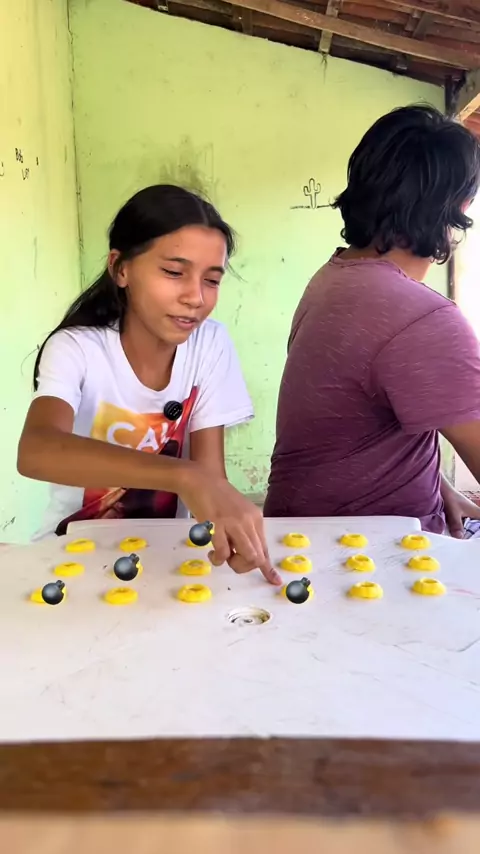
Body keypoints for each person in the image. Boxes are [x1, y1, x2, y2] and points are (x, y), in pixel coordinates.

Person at [18, 184, 281, 584]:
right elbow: (36, 450)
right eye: (174, 272)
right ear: (120, 268)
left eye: (211, 280)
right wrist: (182, 474)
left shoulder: (210, 345)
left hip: (165, 557)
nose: (195, 297)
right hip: (72, 556)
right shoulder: (77, 348)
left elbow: (210, 476)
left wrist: (231, 530)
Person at [265, 105, 480, 538]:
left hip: (298, 537)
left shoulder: (332, 279)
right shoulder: (424, 318)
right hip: (379, 557)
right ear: (460, 207)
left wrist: (438, 487)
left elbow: (353, 430)